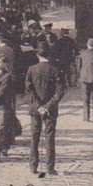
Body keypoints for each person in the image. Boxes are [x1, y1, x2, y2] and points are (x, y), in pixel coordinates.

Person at [25, 41, 66, 175]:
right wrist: (47, 106)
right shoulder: (56, 69)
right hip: (51, 109)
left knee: (34, 136)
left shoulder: (31, 69)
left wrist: (38, 106)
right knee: (50, 137)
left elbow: (29, 90)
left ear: (37, 54)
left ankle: (33, 167)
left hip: (35, 108)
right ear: (49, 54)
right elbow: (60, 92)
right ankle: (49, 168)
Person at [78, 37, 93, 121]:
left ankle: (86, 117)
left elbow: (79, 66)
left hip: (84, 79)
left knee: (85, 98)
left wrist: (79, 75)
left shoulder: (82, 54)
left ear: (87, 45)